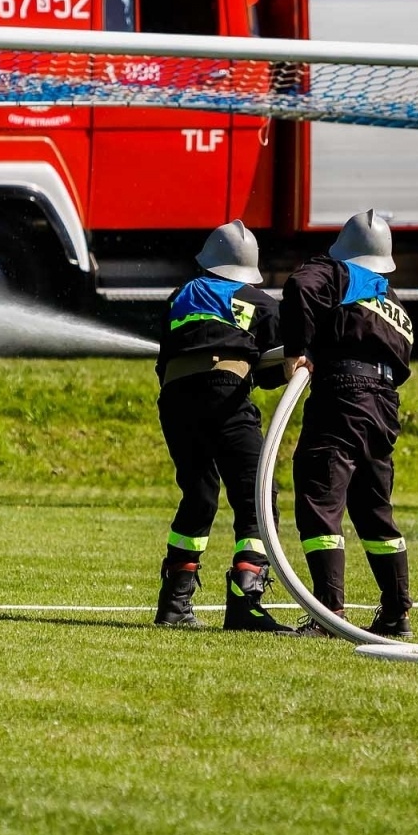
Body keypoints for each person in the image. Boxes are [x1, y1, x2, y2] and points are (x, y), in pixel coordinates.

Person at [281, 209, 415, 638]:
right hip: (384, 403)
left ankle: (328, 613)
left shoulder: (338, 272)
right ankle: (396, 614)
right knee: (374, 509)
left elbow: (301, 286)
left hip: (342, 394)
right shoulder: (389, 299)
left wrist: (294, 352)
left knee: (321, 497)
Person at [154, 219, 289, 632]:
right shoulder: (260, 303)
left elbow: (167, 358)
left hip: (176, 399)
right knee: (256, 495)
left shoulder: (182, 295)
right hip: (225, 393)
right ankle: (245, 602)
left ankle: (174, 604)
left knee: (199, 496)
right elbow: (270, 370)